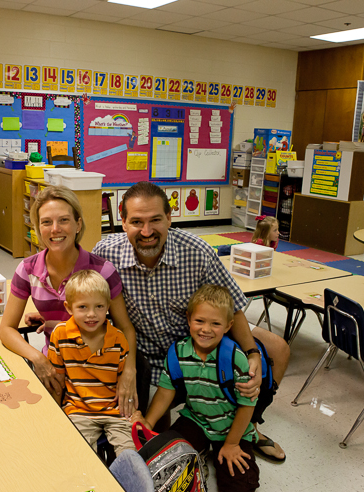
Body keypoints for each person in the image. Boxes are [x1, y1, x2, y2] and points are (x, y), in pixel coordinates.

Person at [93, 181, 289, 462]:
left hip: (197, 346)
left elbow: (231, 308)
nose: (147, 232)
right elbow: (85, 297)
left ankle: (248, 426)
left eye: (156, 220)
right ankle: (201, 426)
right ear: (123, 223)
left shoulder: (197, 252)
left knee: (278, 348)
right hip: (147, 358)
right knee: (155, 442)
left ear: (170, 218)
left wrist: (252, 353)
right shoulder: (105, 254)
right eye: (136, 222)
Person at [0, 186, 139, 417]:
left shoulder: (102, 271)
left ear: (78, 224)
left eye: (64, 220)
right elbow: (6, 329)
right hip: (56, 366)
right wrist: (37, 358)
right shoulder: (27, 269)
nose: (55, 229)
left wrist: (129, 370)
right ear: (38, 228)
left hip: (99, 373)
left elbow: (125, 327)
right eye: (46, 222)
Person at [132, 285, 260, 492]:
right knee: (165, 463)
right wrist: (148, 423)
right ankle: (200, 452)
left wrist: (231, 443)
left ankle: (211, 452)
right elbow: (165, 392)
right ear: (189, 319)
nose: (206, 329)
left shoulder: (235, 358)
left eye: (216, 324)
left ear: (228, 326)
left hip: (230, 429)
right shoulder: (177, 352)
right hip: (196, 420)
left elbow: (247, 406)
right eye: (200, 321)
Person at [48, 270, 136, 456]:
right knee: (78, 455)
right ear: (69, 308)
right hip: (77, 410)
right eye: (82, 307)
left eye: (99, 307)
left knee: (129, 454)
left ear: (108, 307)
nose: (91, 314)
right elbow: (58, 381)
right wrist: (52, 416)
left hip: (115, 413)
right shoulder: (60, 334)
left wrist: (132, 412)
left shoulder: (119, 340)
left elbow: (125, 385)